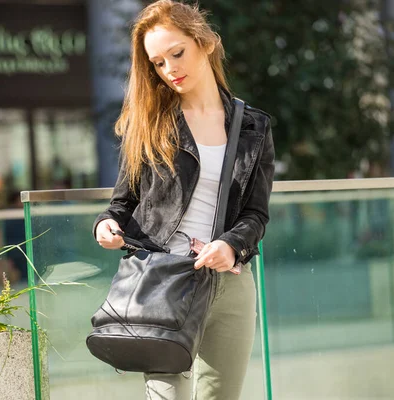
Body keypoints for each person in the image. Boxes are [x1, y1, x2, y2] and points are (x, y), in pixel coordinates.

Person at [92, 1, 275, 399]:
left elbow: (256, 213)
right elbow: (121, 204)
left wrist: (231, 245)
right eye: (158, 62)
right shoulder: (150, 122)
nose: (170, 68)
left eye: (177, 53)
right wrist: (106, 225)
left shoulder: (253, 127)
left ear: (205, 42)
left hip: (229, 283)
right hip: (160, 280)